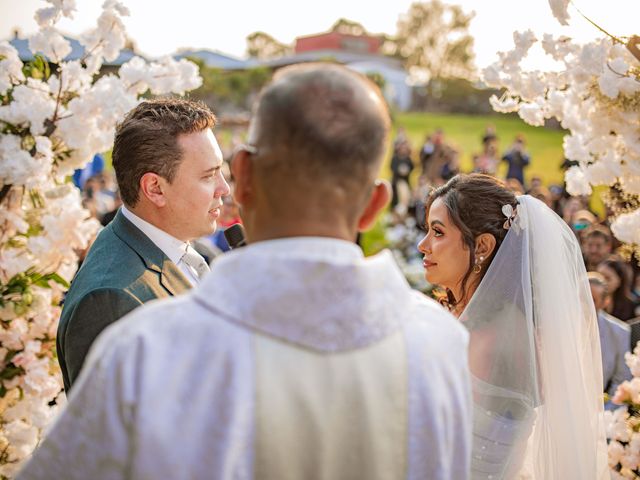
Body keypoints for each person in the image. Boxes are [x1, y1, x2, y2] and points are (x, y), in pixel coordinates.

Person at [20, 64, 472, 480]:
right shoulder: (442, 343)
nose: (221, 189)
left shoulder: (141, 351)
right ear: (375, 205)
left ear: (244, 176)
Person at [417, 174, 607, 479]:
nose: (423, 245)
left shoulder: (491, 339)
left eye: (437, 232)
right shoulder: (491, 323)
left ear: (482, 246)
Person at [55, 98, 230, 392]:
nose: (224, 188)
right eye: (208, 176)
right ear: (155, 188)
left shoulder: (172, 245)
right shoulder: (111, 298)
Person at [587, 272, 632, 410]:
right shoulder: (560, 328)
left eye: (592, 300)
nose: (585, 304)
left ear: (605, 302)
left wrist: (604, 415)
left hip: (601, 410)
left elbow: (622, 381)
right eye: (582, 298)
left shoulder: (619, 332)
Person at [598, 256, 640, 322]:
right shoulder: (592, 303)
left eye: (607, 278)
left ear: (619, 281)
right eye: (599, 276)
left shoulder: (632, 308)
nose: (602, 281)